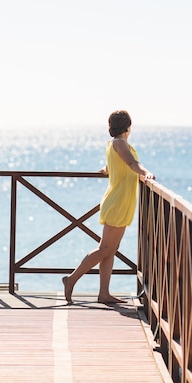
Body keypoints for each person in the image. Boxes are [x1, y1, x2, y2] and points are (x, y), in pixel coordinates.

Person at [62, 110, 155, 305]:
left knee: (110, 249)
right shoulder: (120, 144)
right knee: (105, 248)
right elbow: (131, 163)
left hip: (120, 203)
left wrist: (106, 170)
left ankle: (104, 293)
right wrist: (147, 173)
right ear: (128, 127)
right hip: (117, 203)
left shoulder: (115, 145)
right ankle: (71, 279)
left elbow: (113, 167)